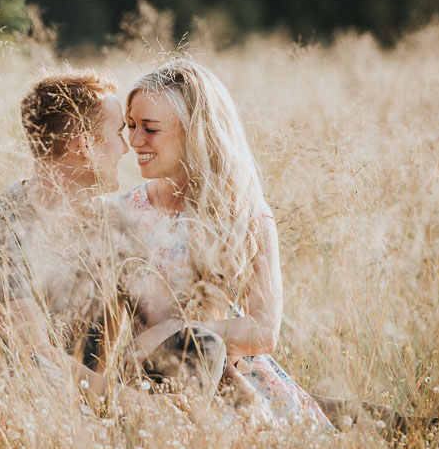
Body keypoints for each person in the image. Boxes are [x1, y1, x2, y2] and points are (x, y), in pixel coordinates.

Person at [0, 70, 226, 414]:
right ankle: (152, 440)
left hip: (95, 405)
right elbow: (35, 357)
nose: (128, 146)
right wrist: (144, 410)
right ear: (84, 145)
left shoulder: (114, 225)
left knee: (198, 345)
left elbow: (167, 318)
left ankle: (170, 443)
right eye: (119, 132)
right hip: (8, 411)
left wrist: (241, 400)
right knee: (35, 373)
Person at [116, 58, 335, 429]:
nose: (135, 140)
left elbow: (263, 332)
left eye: (150, 129)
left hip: (244, 389)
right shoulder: (122, 215)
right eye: (132, 125)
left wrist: (172, 335)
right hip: (152, 389)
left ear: (193, 132)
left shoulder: (246, 216)